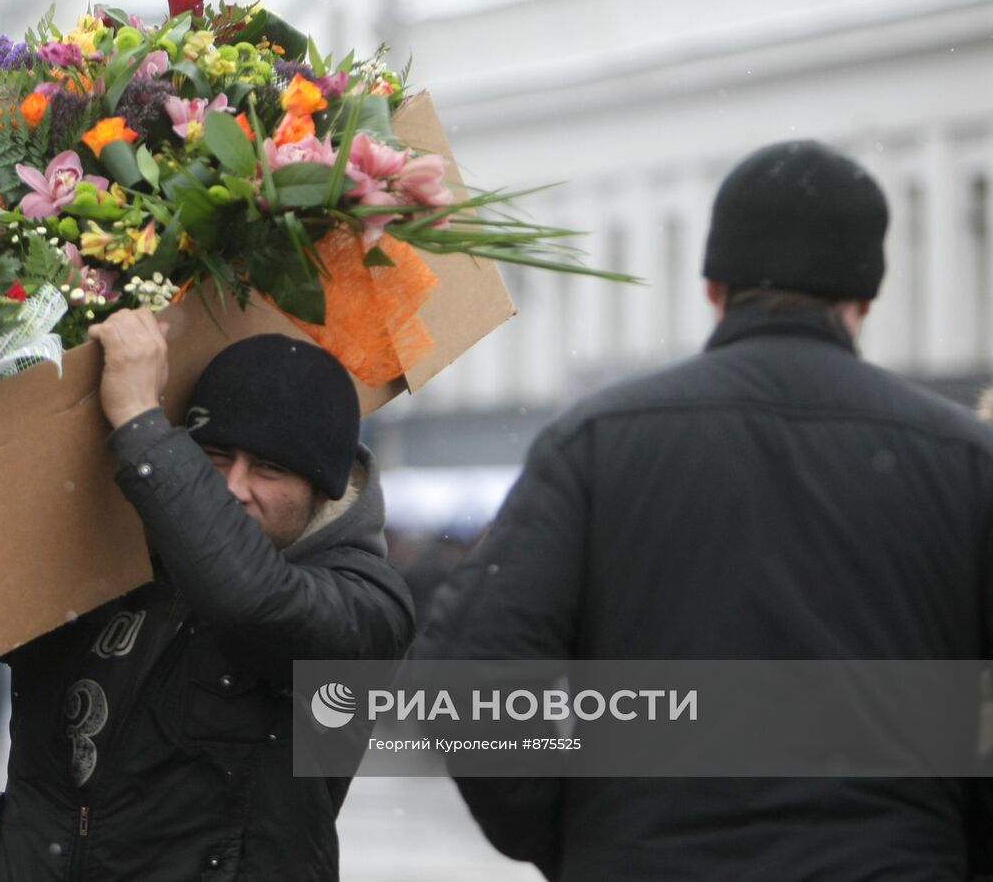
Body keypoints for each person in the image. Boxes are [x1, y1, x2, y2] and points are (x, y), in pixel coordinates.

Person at [417, 140, 993, 879]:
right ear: (866, 300)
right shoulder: (961, 460)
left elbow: (472, 675)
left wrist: (579, 833)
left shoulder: (598, 441)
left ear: (714, 287)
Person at [0, 314, 415, 880]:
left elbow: (250, 599)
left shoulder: (369, 602)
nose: (233, 488)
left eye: (268, 469)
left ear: (323, 488)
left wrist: (140, 420)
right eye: (213, 457)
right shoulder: (115, 549)